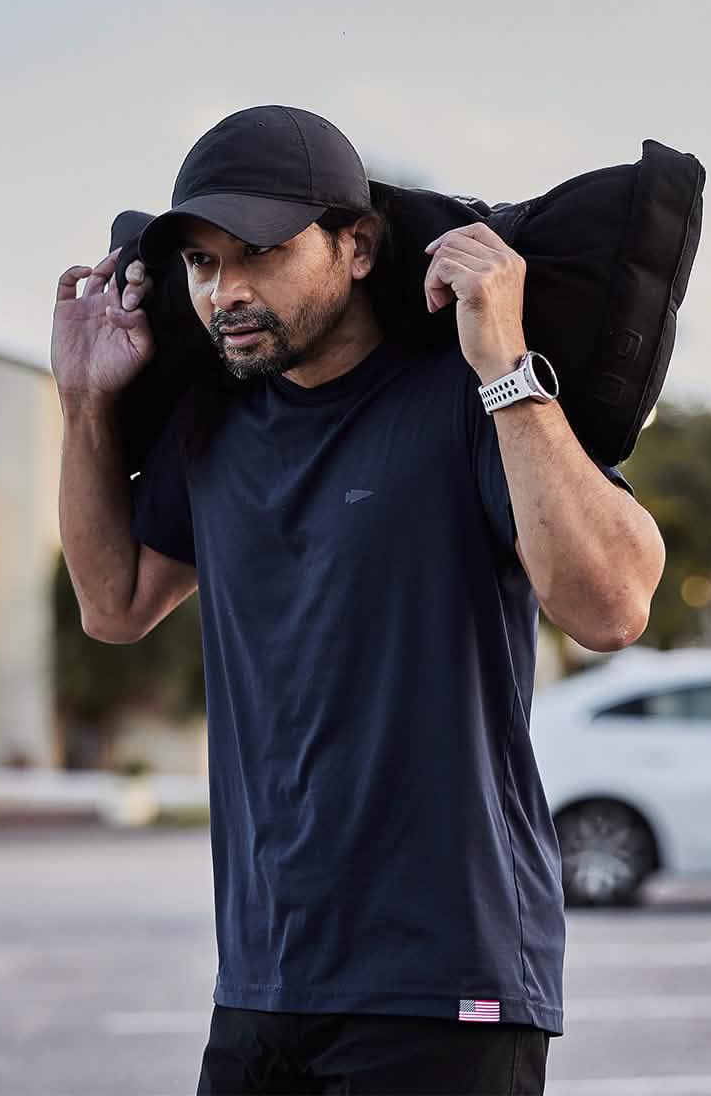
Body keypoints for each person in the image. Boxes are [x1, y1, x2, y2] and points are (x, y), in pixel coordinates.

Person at [52, 105, 666, 1095]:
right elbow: (113, 605)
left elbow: (614, 607)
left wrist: (505, 366)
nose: (227, 292)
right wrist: (84, 404)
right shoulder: (213, 429)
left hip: (444, 982)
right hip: (263, 978)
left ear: (358, 246)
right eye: (203, 266)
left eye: (259, 252)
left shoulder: (467, 402)